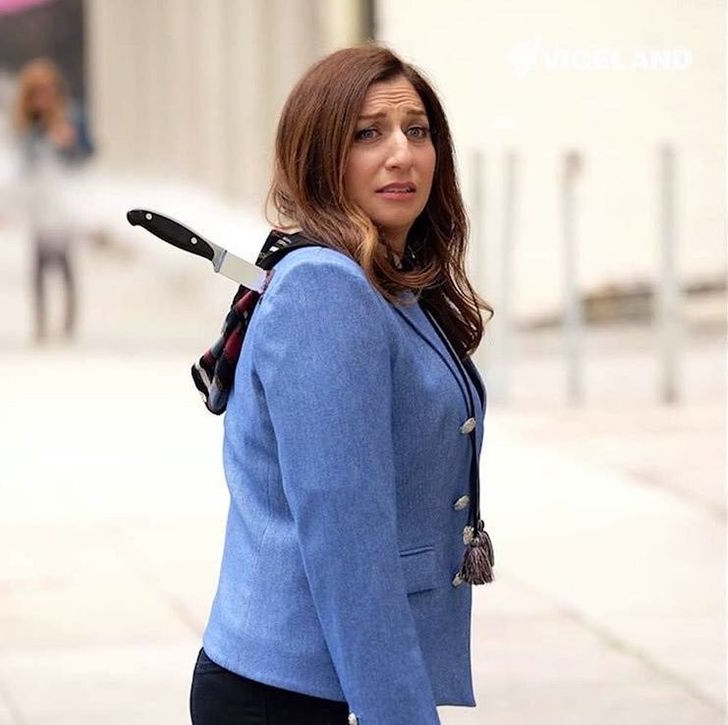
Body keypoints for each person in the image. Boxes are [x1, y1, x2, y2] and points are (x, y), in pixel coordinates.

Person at [189, 43, 495, 725]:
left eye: (417, 131)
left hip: (325, 684)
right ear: (320, 155)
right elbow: (346, 537)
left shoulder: (376, 280)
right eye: (367, 133)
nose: (401, 154)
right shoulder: (328, 292)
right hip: (294, 693)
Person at [11, 57, 94, 342]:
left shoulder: (72, 117)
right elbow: (21, 164)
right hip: (38, 202)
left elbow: (87, 154)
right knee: (37, 262)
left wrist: (68, 143)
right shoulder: (25, 125)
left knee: (64, 261)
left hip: (64, 200)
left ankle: (68, 320)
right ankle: (41, 321)